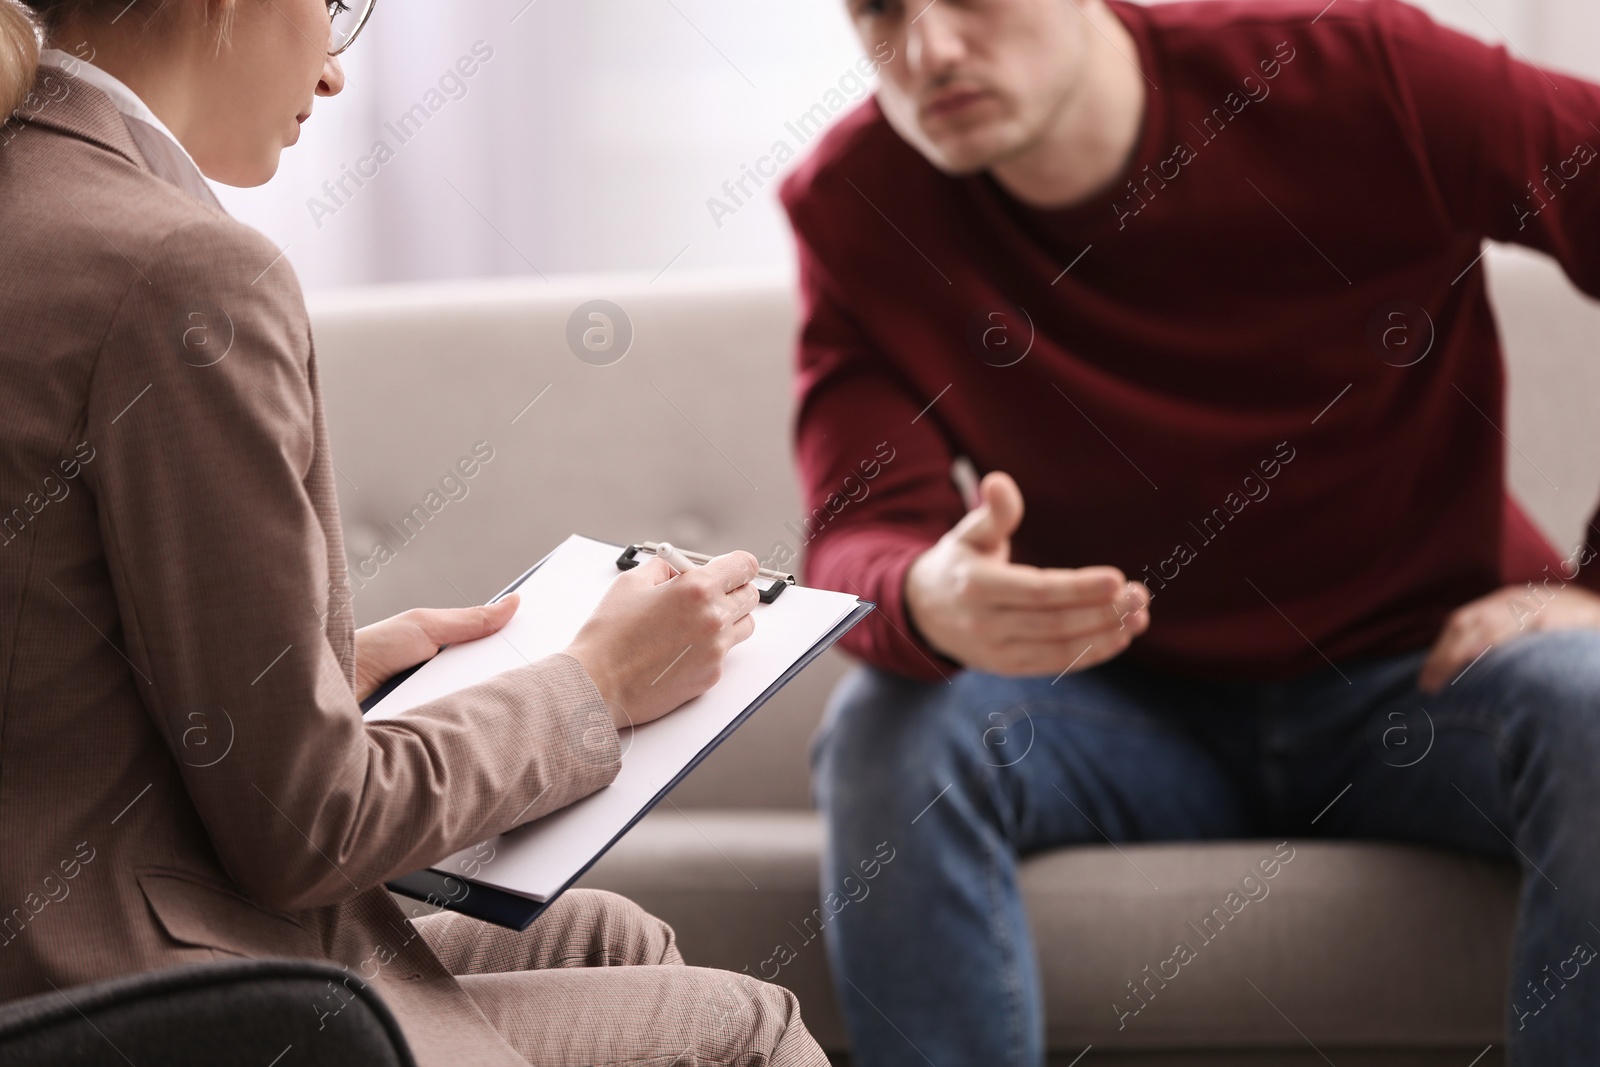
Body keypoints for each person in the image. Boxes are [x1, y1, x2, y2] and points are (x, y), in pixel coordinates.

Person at [0, 2, 827, 1064]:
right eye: (338, 8)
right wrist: (595, 686)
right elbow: (306, 832)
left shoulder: (38, 201)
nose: (338, 78)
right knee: (746, 1030)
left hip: (46, 938)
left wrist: (326, 670)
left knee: (603, 937)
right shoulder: (180, 272)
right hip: (121, 985)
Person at [780, 0, 1600, 1062]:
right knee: (888, 727)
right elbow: (859, 533)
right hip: (1118, 707)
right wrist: (926, 595)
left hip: (1432, 682)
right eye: (881, 8)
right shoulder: (856, 203)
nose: (930, 49)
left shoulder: (1360, 71)